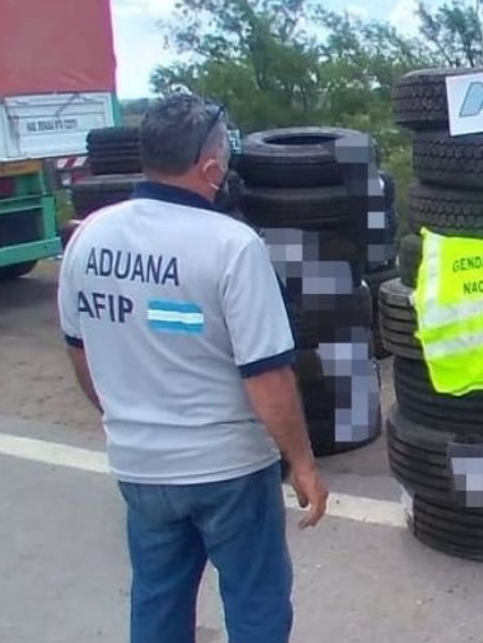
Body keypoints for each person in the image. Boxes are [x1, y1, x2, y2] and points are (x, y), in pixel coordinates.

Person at [56, 92, 329, 643]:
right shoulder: (232, 246)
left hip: (139, 466)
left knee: (157, 600)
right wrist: (301, 461)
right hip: (227, 469)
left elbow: (80, 350)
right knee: (256, 604)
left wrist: (126, 417)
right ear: (210, 168)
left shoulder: (88, 237)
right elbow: (267, 375)